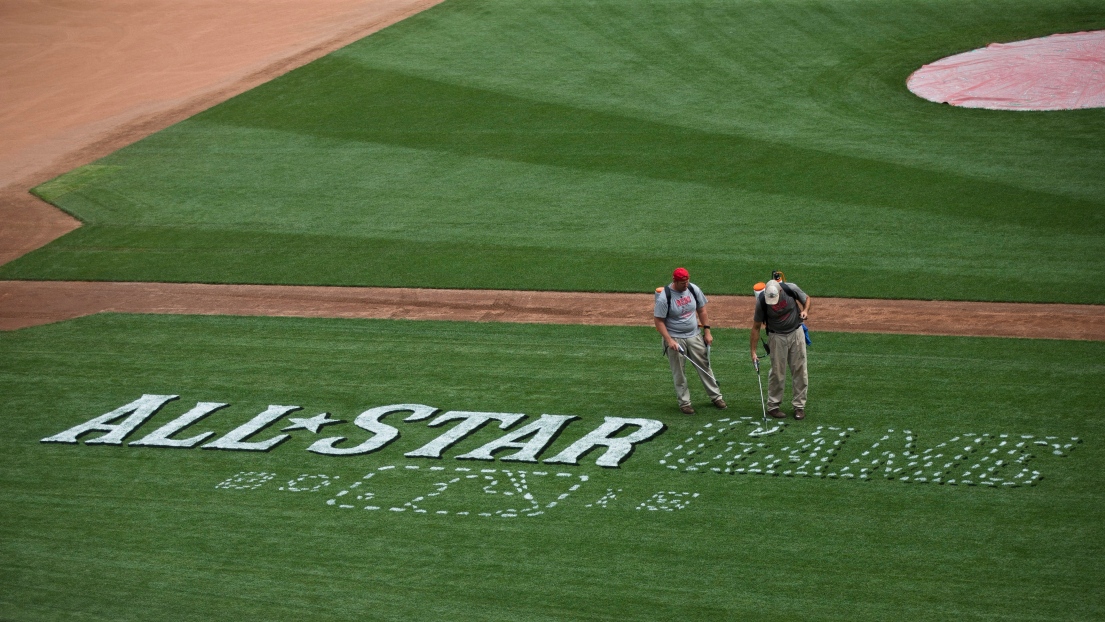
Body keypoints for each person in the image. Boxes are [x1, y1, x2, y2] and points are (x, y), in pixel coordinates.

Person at [654, 267, 726, 414]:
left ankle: (716, 397)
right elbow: (658, 321)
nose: (686, 285)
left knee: (704, 366)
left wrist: (707, 331)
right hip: (675, 338)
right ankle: (684, 403)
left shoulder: (693, 289)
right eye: (682, 283)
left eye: (687, 281)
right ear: (675, 281)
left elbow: (702, 310)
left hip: (694, 335)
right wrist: (669, 340)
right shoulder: (665, 297)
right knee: (679, 372)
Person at [750, 277, 812, 420]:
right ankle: (773, 406)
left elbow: (807, 299)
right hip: (776, 337)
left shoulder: (790, 289)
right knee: (777, 372)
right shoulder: (762, 302)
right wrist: (753, 351)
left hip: (796, 333)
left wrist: (805, 311)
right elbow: (756, 327)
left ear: (780, 290)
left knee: (800, 369)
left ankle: (799, 407)